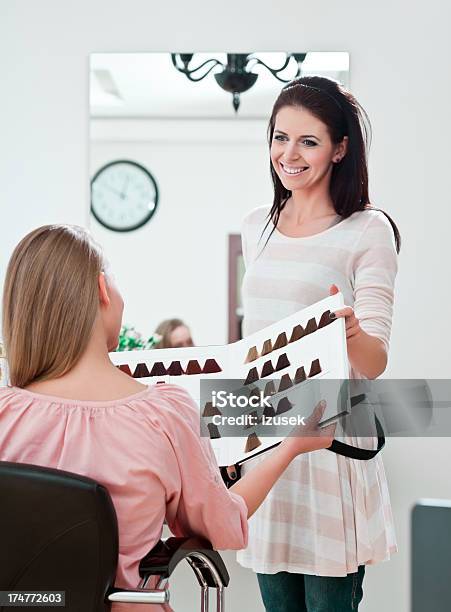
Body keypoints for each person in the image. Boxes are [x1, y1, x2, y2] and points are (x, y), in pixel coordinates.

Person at [0, 224, 335, 612]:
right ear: (101, 290)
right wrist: (291, 446)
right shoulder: (162, 413)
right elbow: (221, 526)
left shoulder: (5, 412)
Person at [237, 76, 400, 611]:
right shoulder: (256, 225)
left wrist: (349, 333)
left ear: (340, 148)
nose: (290, 154)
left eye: (309, 141)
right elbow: (252, 348)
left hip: (329, 450)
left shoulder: (367, 229)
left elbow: (374, 362)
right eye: (280, 138)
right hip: (265, 450)